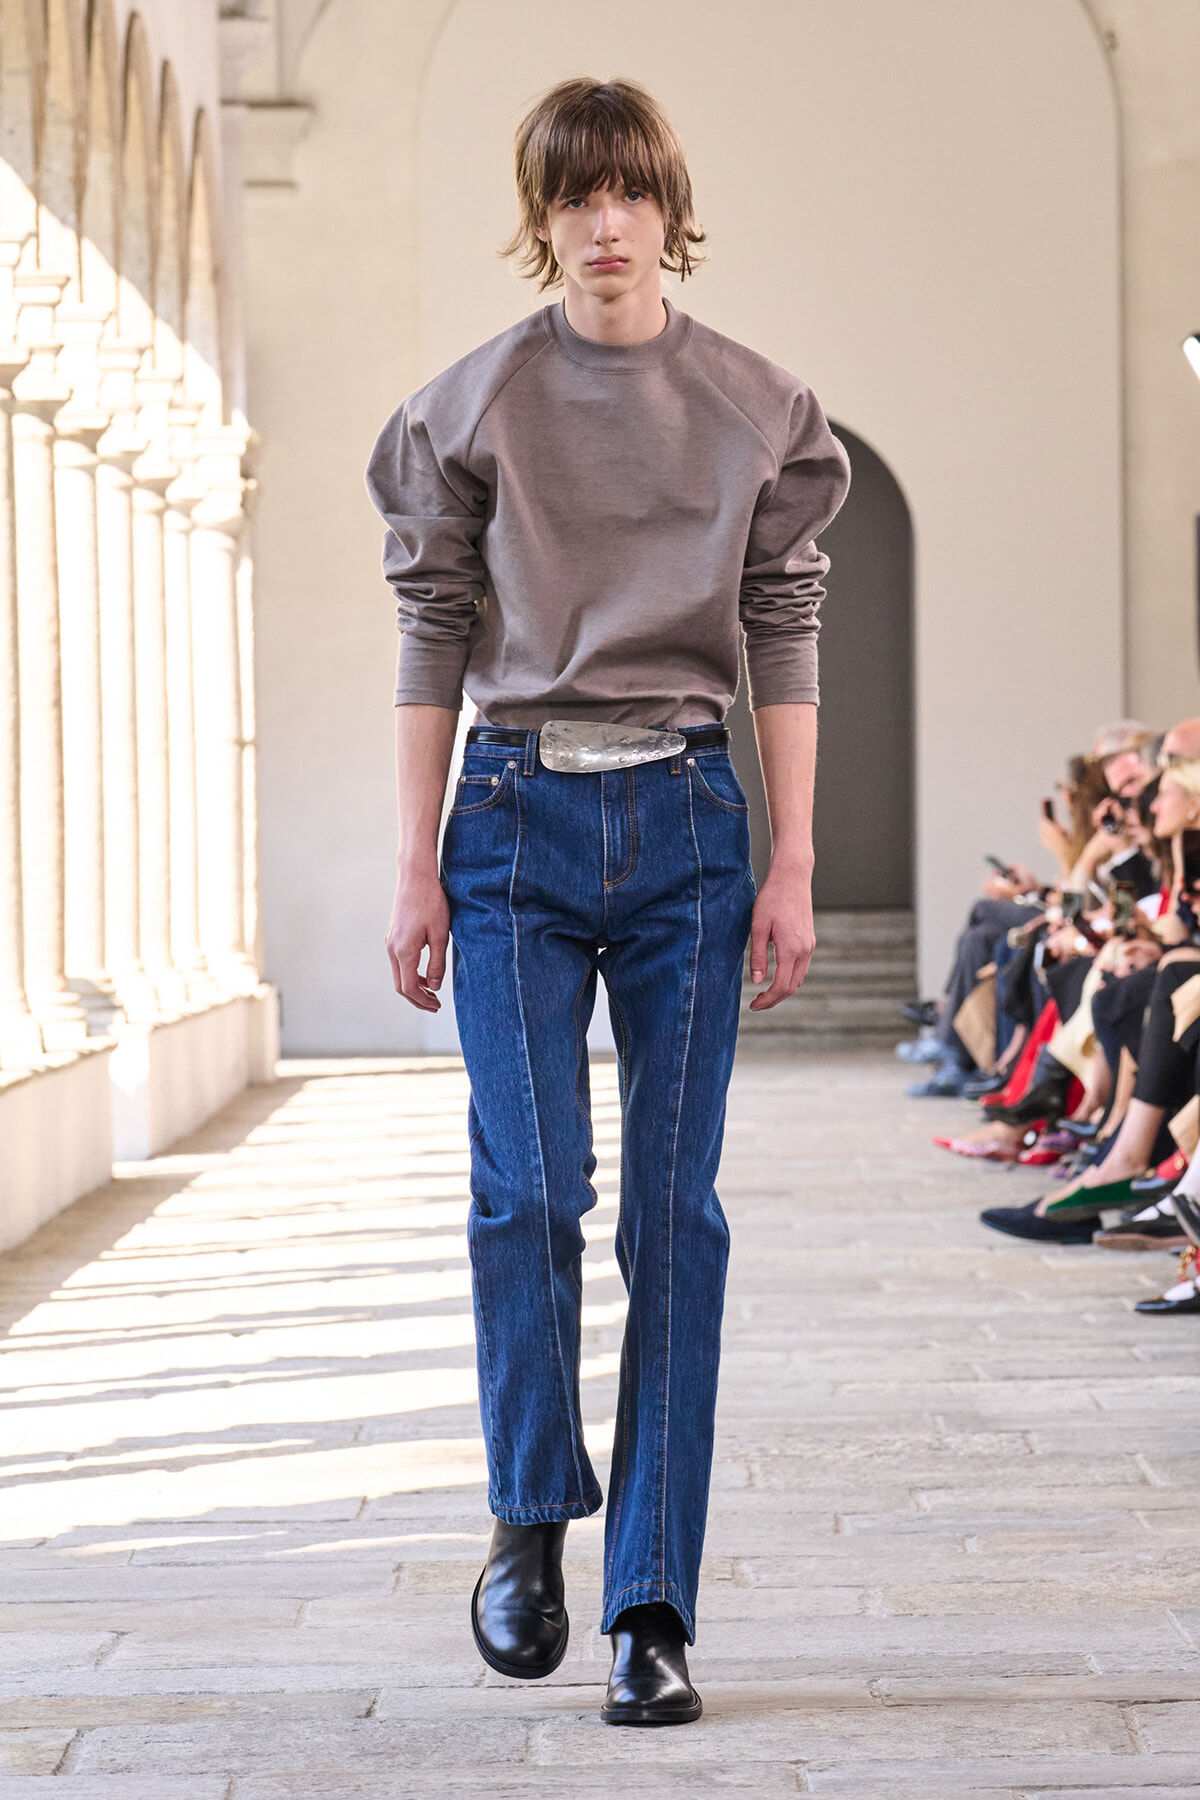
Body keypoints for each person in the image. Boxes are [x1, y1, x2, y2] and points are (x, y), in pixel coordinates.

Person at [365, 77, 849, 1726]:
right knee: (527, 1187)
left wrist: (794, 858)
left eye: (629, 192)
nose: (605, 223)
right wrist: (413, 860)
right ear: (542, 218)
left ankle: (652, 1599)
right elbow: (431, 630)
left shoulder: (757, 405)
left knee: (673, 1216)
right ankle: (527, 1511)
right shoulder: (470, 405)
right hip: (510, 820)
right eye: (574, 196)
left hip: (693, 819)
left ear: (669, 209)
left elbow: (783, 630)